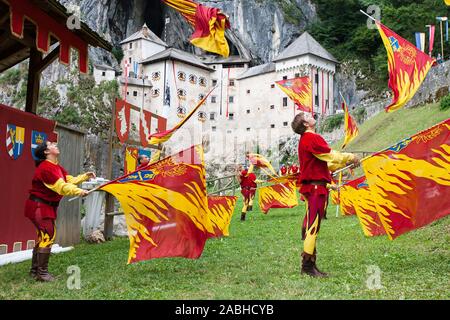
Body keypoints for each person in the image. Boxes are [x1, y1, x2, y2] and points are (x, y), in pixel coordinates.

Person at [291, 112, 359, 278]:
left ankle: (310, 264)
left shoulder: (307, 140)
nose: (311, 115)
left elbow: (323, 164)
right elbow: (329, 155)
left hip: (315, 187)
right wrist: (350, 157)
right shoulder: (311, 138)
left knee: (312, 226)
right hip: (315, 189)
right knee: (313, 227)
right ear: (305, 124)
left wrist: (342, 166)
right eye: (307, 115)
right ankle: (307, 266)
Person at [24, 140, 95, 282]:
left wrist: (84, 176)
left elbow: (69, 180)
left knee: (44, 237)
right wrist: (79, 191)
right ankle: (42, 274)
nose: (55, 144)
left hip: (44, 206)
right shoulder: (45, 168)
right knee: (48, 235)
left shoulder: (56, 167)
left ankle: (35, 270)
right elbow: (61, 187)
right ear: (46, 151)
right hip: (39, 207)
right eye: (51, 144)